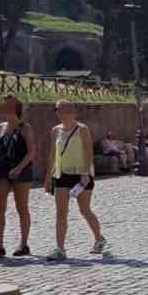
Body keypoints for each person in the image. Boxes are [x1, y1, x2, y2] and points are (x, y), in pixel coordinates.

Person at [44, 101, 106, 261]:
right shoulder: (55, 131)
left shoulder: (82, 130)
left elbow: (88, 152)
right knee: (61, 212)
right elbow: (53, 154)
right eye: (57, 109)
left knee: (84, 210)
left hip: (81, 174)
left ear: (73, 112)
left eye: (64, 109)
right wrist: (48, 176)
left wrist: (86, 172)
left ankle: (99, 238)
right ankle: (60, 248)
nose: (60, 113)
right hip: (62, 174)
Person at [0, 94, 35, 257]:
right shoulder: (1, 126)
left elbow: (32, 152)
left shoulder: (25, 127)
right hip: (2, 170)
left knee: (22, 207)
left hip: (21, 169)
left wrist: (19, 168)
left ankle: (24, 244)